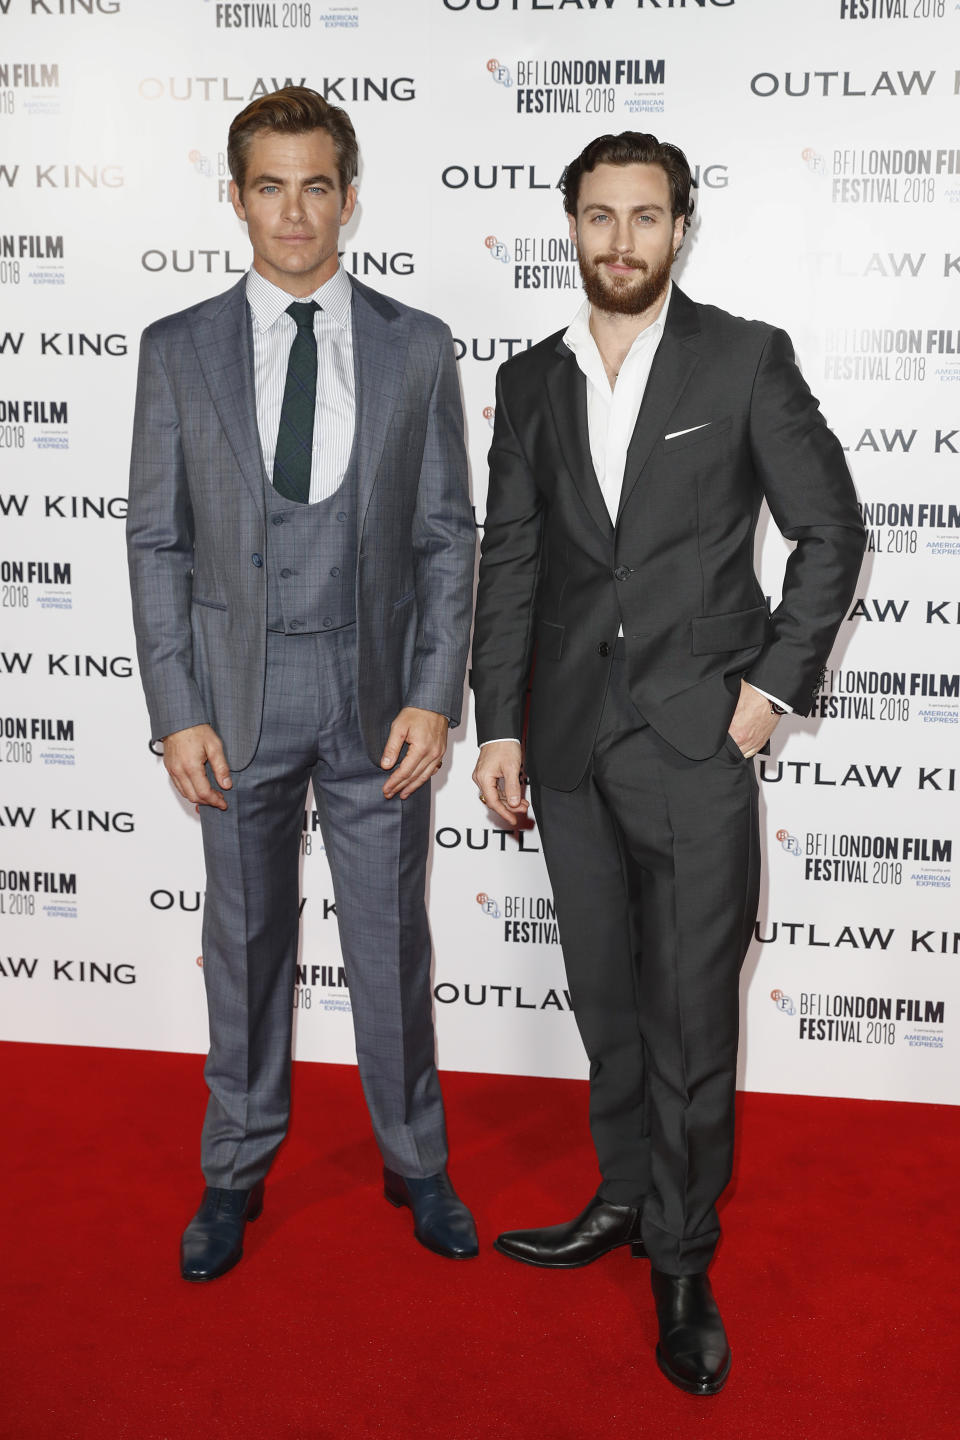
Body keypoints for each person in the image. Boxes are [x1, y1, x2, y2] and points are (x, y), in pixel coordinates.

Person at [471, 131, 865, 1394]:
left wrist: (767, 697)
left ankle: (683, 1261)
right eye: (600, 216)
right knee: (607, 1003)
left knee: (694, 1024)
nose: (622, 240)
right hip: (575, 746)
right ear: (571, 226)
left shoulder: (744, 358)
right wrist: (501, 721)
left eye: (646, 217)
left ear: (682, 227)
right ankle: (626, 1197)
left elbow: (830, 531)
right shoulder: (532, 382)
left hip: (699, 745)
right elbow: (515, 564)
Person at [127, 87, 478, 1281]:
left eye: (315, 184)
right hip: (232, 703)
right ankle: (235, 1168)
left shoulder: (415, 344)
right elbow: (157, 541)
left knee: (389, 941)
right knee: (245, 940)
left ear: (349, 196)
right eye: (268, 186)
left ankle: (415, 1159)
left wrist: (435, 693)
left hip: (380, 702)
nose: (293, 211)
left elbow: (446, 537)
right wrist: (176, 709)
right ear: (236, 199)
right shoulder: (176, 351)